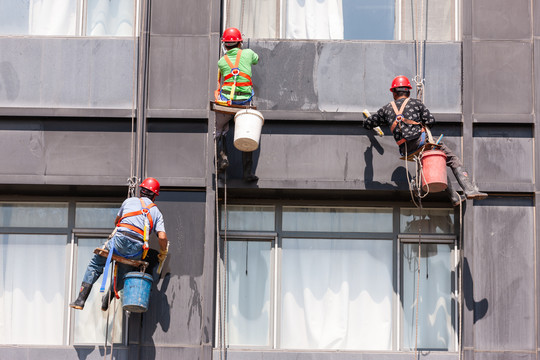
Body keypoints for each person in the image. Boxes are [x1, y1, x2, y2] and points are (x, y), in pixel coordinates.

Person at [363, 75, 487, 206]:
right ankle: (469, 189)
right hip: (421, 141)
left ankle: (454, 197)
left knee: (436, 163)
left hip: (406, 149)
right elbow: (431, 121)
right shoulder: (416, 104)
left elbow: (368, 123)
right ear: (409, 92)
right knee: (451, 159)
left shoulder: (386, 109)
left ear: (393, 93)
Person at [69, 177, 169, 311]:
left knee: (95, 265)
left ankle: (81, 299)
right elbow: (162, 237)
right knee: (124, 273)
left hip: (119, 242)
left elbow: (117, 222)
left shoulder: (129, 201)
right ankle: (108, 298)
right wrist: (163, 252)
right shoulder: (156, 212)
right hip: (136, 249)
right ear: (154, 196)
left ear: (141, 192)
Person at [215, 27, 259, 182]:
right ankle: (247, 173)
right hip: (244, 101)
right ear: (240, 42)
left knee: (218, 130)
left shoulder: (221, 61)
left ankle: (223, 160)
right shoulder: (247, 53)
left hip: (228, 101)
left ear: (225, 45)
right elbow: (256, 59)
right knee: (247, 133)